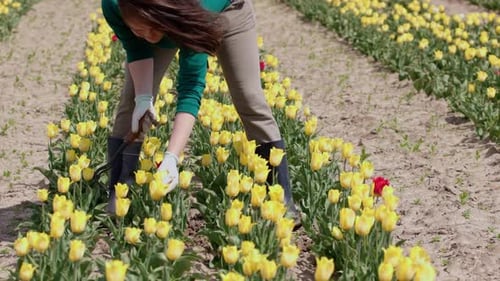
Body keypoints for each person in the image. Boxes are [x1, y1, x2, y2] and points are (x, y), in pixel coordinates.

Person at [101, 0, 300, 223]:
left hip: (223, 10)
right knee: (130, 101)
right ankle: (119, 194)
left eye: (150, 29)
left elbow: (190, 86)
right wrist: (144, 98)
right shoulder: (114, 5)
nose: (146, 36)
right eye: (138, 30)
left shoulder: (194, 12)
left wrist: (171, 158)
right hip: (158, 16)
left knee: (249, 97)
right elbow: (136, 47)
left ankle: (280, 195)